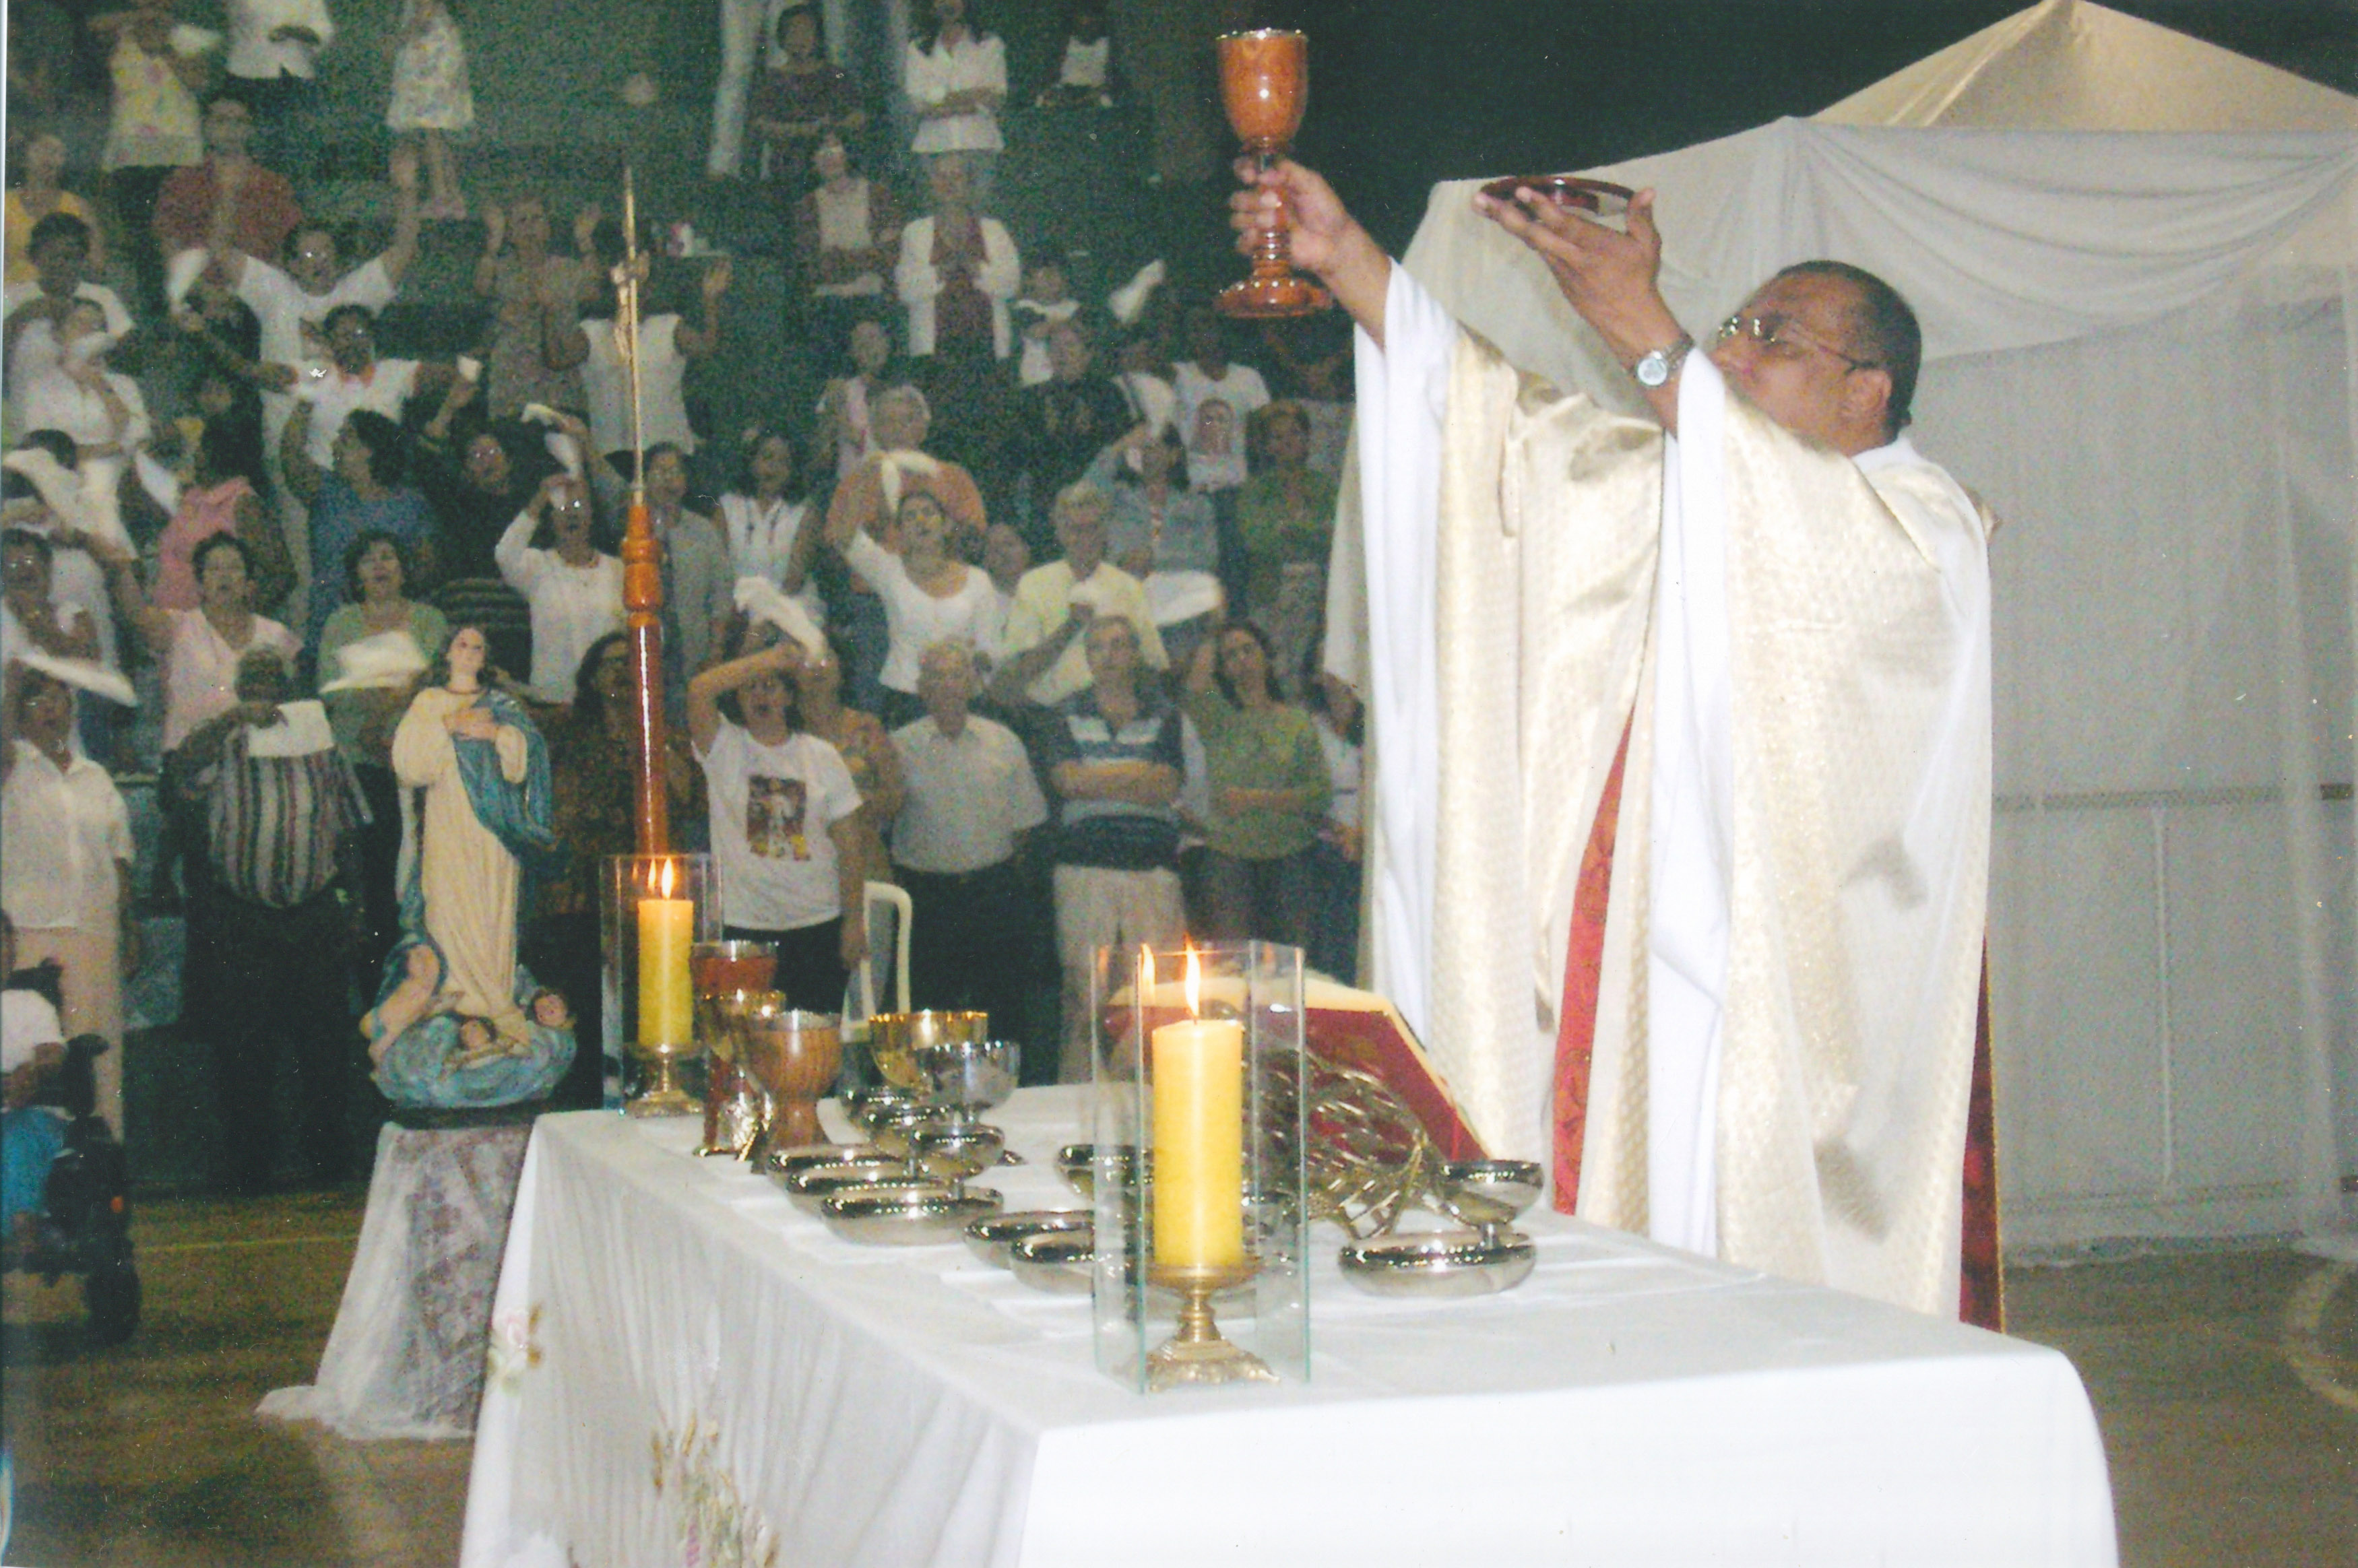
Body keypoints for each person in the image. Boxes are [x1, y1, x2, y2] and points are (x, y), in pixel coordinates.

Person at [1235, 161, 1992, 1317]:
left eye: (1773, 337)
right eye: (1730, 328)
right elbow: (1499, 428)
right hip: (1629, 971)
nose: (1730, 353)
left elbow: (1803, 534)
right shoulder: (1682, 476)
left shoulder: (1924, 532)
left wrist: (1647, 330)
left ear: (1868, 391)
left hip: (1777, 1019)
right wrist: (1348, 262)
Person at [174, 645, 367, 1189]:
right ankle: (249, 1166)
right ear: (239, 689)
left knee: (324, 1045)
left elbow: (350, 827)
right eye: (251, 681)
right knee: (243, 1047)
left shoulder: (321, 741)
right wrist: (233, 719)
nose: (262, 690)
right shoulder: (224, 740)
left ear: (287, 688)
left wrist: (357, 908)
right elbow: (183, 774)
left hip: (315, 911)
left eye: (270, 681)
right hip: (243, 916)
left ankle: (329, 1161)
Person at [364, 624, 569, 1101]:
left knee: (493, 910)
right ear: (447, 652)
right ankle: (458, 1000)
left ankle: (495, 998)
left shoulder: (501, 705)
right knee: (448, 905)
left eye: (479, 646)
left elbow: (530, 757)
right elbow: (410, 763)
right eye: (462, 644)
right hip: (448, 825)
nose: (471, 652)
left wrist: (496, 733)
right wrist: (449, 726)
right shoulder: (430, 701)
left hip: (494, 832)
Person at [525, 631, 699, 1107]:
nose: (624, 673)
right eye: (614, 663)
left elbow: (688, 799)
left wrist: (653, 739)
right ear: (593, 677)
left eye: (633, 663)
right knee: (576, 1014)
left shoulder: (666, 732)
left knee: (646, 1015)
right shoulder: (565, 730)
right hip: (575, 895)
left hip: (644, 901)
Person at [1038, 615, 1185, 1080]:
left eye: (1119, 645)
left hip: (1152, 867)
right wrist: (1135, 775)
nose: (1109, 656)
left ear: (1135, 653)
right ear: (1087, 656)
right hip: (1085, 866)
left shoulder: (1165, 714)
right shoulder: (1064, 712)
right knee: (1085, 991)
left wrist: (1096, 778)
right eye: (1098, 647)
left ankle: (1151, 1090)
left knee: (1155, 991)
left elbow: (1166, 785)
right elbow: (1067, 781)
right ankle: (1080, 1095)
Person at [688, 641, 868, 1014]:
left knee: (812, 1039)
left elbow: (851, 845)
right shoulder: (723, 748)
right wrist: (766, 660)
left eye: (769, 686)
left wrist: (853, 921)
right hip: (744, 925)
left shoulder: (821, 756)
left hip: (816, 923)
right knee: (745, 1038)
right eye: (749, 688)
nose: (760, 696)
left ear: (788, 696)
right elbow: (699, 690)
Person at [1, 665, 137, 1136]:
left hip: (95, 935)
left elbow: (120, 858)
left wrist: (130, 929)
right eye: (37, 701)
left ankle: (103, 1157)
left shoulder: (95, 776)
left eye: (59, 699)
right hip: (28, 936)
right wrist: (11, 686)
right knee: (33, 1059)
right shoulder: (12, 767)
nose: (50, 709)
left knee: (99, 1055)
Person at [889, 639, 1046, 1043]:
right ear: (921, 687)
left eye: (957, 674)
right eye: (937, 676)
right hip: (926, 898)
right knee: (928, 1015)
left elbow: (1026, 825)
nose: (947, 685)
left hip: (993, 893)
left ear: (973, 683)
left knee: (1001, 1013)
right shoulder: (898, 747)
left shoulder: (1004, 742)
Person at [317, 530, 448, 974]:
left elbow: (438, 682)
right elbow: (330, 689)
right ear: (355, 574)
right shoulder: (340, 623)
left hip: (420, 763)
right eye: (369, 559)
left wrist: (389, 711)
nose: (379, 566)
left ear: (404, 569)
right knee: (371, 877)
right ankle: (378, 984)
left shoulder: (429, 620)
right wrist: (376, 721)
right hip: (359, 765)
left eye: (388, 557)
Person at [1178, 620, 1327, 950]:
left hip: (1291, 856)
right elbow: (1196, 683)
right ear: (1223, 667)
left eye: (1248, 650)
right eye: (1231, 655)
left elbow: (1319, 794)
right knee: (1233, 959)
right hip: (1229, 858)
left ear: (1266, 656)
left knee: (1292, 959)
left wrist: (1255, 799)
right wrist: (1215, 628)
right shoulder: (1218, 717)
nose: (1242, 660)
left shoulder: (1297, 721)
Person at [107, 531, 300, 753]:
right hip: (190, 758)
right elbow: (137, 616)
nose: (224, 576)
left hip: (262, 755)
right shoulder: (178, 626)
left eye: (234, 568)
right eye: (214, 569)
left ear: (250, 585)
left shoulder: (276, 635)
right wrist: (122, 569)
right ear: (200, 585)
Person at [826, 489, 999, 728]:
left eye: (928, 513)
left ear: (946, 525)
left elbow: (988, 647)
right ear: (900, 532)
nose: (920, 521)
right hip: (904, 696)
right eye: (910, 516)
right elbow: (845, 537)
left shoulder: (979, 580)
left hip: (963, 699)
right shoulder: (888, 571)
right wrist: (865, 478)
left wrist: (969, 664)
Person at [992, 480, 1167, 709]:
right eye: (1076, 530)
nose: (1086, 538)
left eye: (1093, 528)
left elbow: (1155, 664)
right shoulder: (1033, 584)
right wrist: (1071, 627)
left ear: (1105, 531)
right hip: (1053, 713)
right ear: (1060, 532)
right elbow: (1017, 673)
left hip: (1116, 711)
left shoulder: (1129, 587)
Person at [282, 406, 436, 652]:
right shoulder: (326, 492)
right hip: (330, 634)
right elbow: (291, 454)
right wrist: (309, 392)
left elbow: (424, 572)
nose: (335, 445)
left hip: (395, 637)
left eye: (346, 438)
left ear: (371, 448)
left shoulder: (410, 505)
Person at [91, 0, 211, 313]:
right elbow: (92, 28)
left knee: (182, 233)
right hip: (131, 152)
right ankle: (153, 312)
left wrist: (167, 46)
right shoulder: (121, 34)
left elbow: (199, 81)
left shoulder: (187, 36)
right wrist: (139, 18)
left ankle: (186, 310)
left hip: (179, 151)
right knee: (142, 237)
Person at [571, 257, 732, 459]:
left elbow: (705, 348)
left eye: (639, 288)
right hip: (612, 454)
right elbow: (557, 360)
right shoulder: (591, 332)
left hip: (668, 452)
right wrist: (554, 307)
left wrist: (710, 301)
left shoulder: (669, 327)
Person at [150, 391, 292, 612]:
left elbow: (281, 575)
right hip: (173, 622)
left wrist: (233, 619)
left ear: (215, 454)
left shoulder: (244, 505)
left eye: (200, 447)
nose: (194, 454)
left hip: (214, 627)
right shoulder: (192, 496)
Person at [1232, 399, 1337, 697]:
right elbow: (1256, 540)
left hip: (1319, 588)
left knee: (1309, 667)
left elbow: (1332, 536)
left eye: (1294, 434)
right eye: (1278, 437)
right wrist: (1307, 532)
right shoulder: (1255, 490)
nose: (1288, 442)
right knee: (1272, 666)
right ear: (1267, 446)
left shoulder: (1324, 486)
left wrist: (1289, 529)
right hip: (1270, 588)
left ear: (1307, 438)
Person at [786, 626, 903, 891]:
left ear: (841, 666)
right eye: (807, 660)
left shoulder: (866, 727)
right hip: (802, 878)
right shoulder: (782, 736)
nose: (818, 668)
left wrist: (851, 808)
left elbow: (895, 797)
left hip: (865, 868)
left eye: (826, 657)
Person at [493, 473, 623, 703]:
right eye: (562, 507)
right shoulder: (537, 566)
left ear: (591, 514)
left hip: (607, 700)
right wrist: (540, 498)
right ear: (550, 517)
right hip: (553, 700)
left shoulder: (617, 570)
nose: (571, 514)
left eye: (578, 506)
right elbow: (504, 555)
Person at [472, 195, 594, 420]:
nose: (530, 227)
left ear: (548, 228)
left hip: (560, 391)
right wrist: (494, 242)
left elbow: (592, 290)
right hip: (512, 391)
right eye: (522, 221)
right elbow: (482, 287)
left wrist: (585, 241)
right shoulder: (500, 269)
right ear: (510, 233)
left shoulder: (566, 268)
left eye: (537, 219)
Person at [153, 95, 302, 263]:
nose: (231, 129)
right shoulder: (182, 181)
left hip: (257, 275)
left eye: (240, 122)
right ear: (205, 126)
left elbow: (288, 243)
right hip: (196, 274)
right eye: (221, 121)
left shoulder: (273, 185)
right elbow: (168, 239)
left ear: (251, 129)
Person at [794, 141, 900, 363]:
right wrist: (867, 255)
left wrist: (838, 257)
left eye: (835, 150)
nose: (829, 157)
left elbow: (889, 256)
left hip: (874, 299)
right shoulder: (806, 206)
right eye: (821, 151)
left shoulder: (878, 195)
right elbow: (813, 267)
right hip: (826, 303)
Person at [749, 6, 864, 195]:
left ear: (817, 37)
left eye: (806, 31)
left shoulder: (836, 74)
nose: (800, 39)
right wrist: (801, 130)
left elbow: (858, 115)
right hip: (789, 169)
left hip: (833, 165)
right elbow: (762, 124)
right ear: (782, 38)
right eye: (793, 32)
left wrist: (833, 128)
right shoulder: (773, 79)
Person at [220, 0, 334, 176]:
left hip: (295, 76)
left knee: (292, 145)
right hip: (248, 74)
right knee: (246, 143)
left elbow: (323, 32)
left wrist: (294, 32)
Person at [385, 0, 474, 222]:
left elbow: (424, 12)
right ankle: (453, 196)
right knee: (437, 133)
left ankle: (440, 196)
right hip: (439, 48)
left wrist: (398, 40)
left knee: (430, 130)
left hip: (429, 54)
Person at [903, 0, 1005, 189]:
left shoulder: (989, 45)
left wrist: (937, 98)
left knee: (980, 206)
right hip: (933, 148)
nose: (948, 4)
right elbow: (919, 105)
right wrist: (971, 98)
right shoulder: (918, 49)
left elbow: (994, 98)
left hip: (980, 145)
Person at [1172, 309, 1269, 494]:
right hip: (1192, 488)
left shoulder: (1248, 378)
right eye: (1195, 330)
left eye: (1208, 327)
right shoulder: (1177, 375)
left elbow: (1261, 436)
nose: (1202, 335)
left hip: (1238, 486)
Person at [5, 130, 108, 289]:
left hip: (66, 293)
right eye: (42, 150)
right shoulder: (5, 204)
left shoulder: (79, 207)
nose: (49, 159)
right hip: (14, 292)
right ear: (23, 158)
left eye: (57, 152)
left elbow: (97, 264)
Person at [716, 424, 813, 591]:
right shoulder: (727, 506)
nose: (774, 467)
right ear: (752, 461)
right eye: (767, 457)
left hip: (786, 603)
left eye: (783, 461)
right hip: (733, 601)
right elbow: (717, 570)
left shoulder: (803, 513)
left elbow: (795, 579)